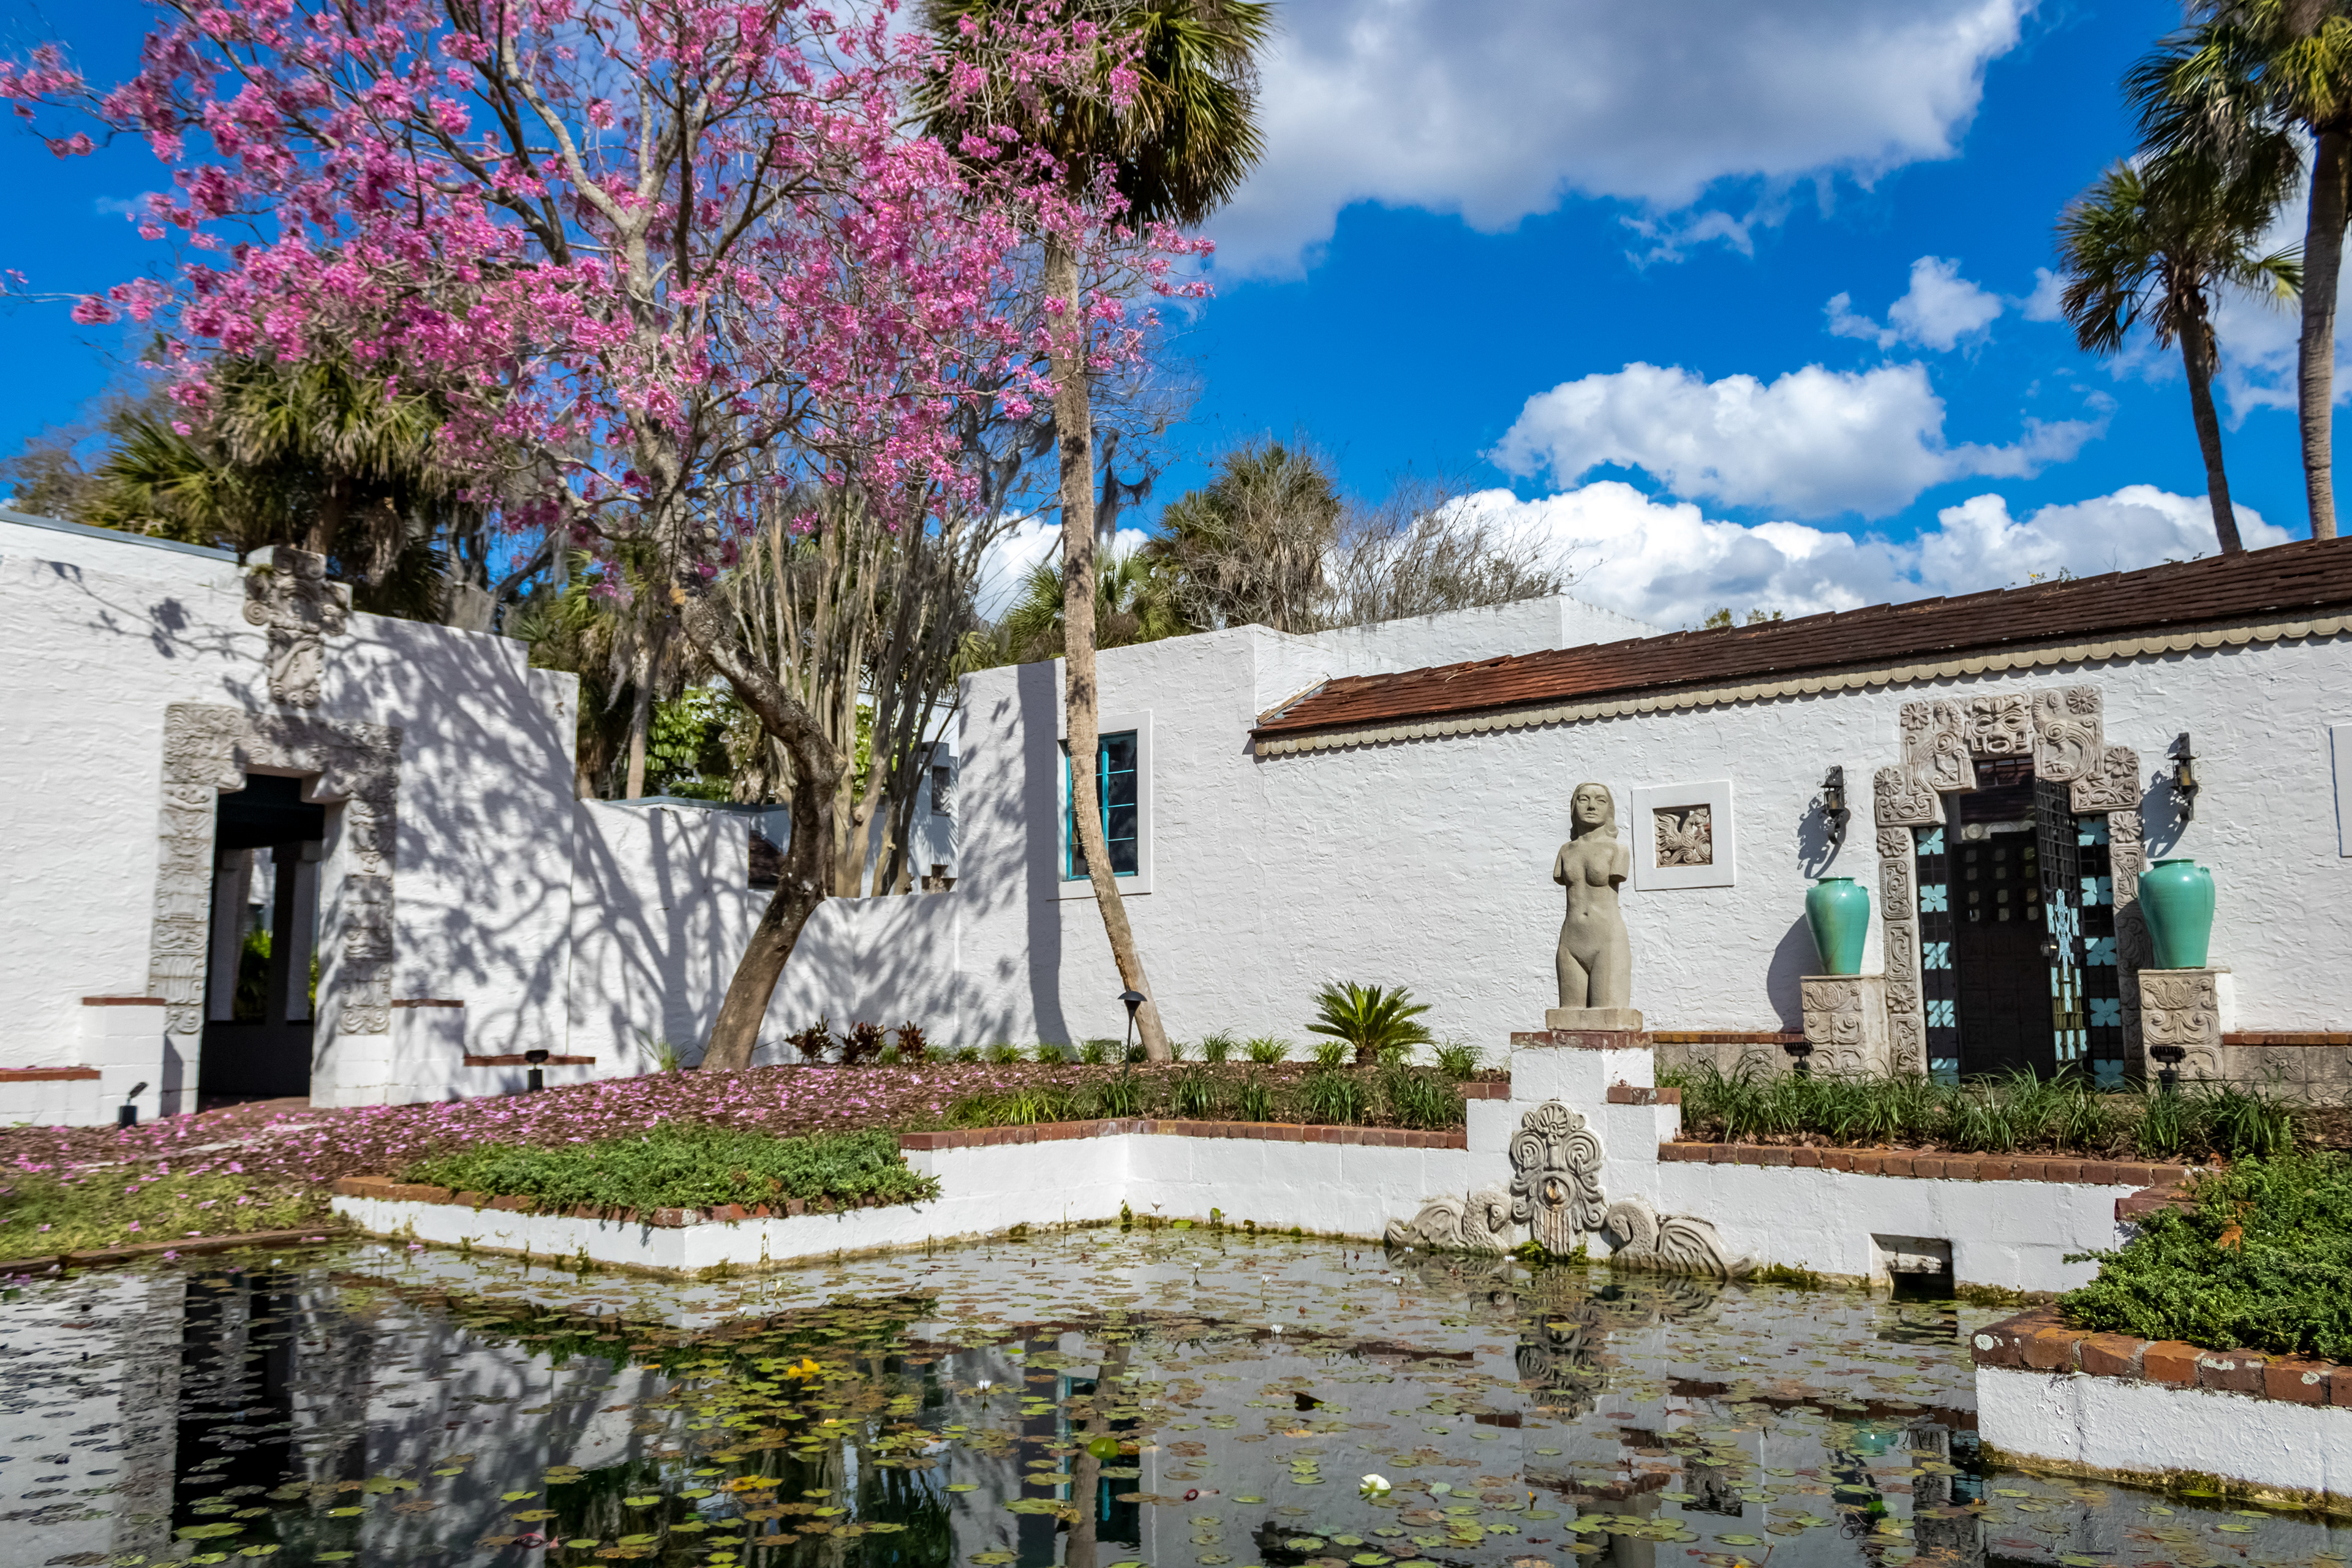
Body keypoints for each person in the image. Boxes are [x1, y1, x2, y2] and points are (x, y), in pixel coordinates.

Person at [1553, 781, 1632, 1009]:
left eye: (1600, 800)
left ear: (1610, 810)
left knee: (1608, 1017)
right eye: (1583, 799)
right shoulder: (1566, 851)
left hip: (1607, 940)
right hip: (1571, 940)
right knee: (1567, 1018)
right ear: (1573, 808)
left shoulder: (1617, 850)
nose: (1591, 806)